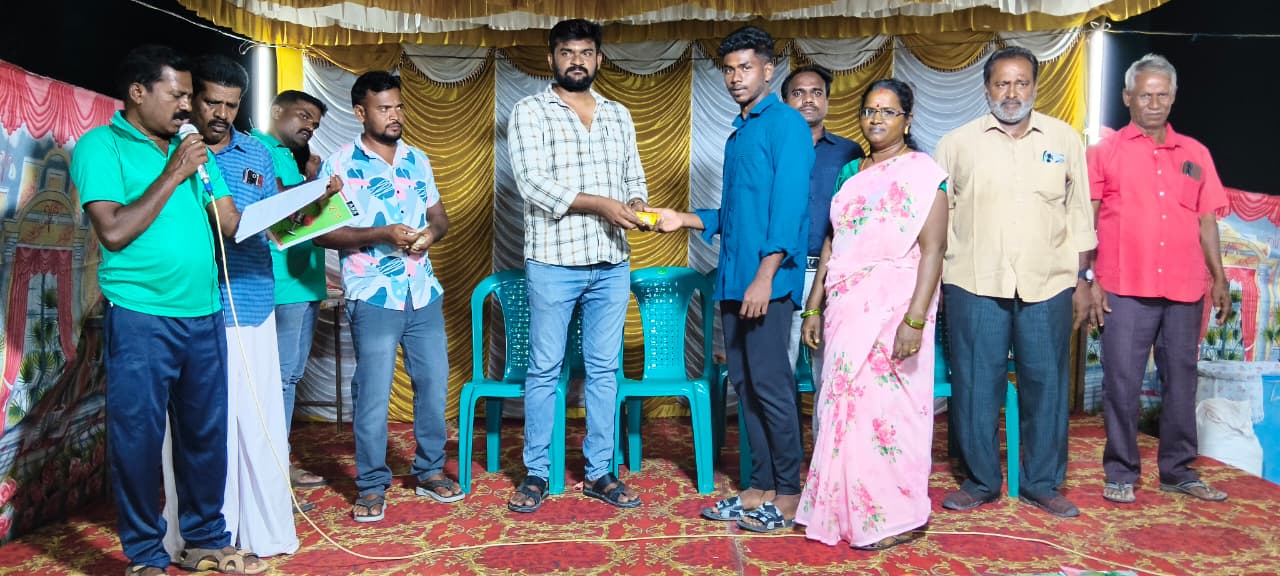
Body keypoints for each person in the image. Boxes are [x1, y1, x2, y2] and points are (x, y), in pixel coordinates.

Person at [69, 45, 267, 575]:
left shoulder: (192, 149)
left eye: (189, 95)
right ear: (138, 92)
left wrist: (302, 210)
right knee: (137, 438)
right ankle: (145, 554)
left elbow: (228, 223)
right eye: (177, 94)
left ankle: (205, 540)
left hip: (205, 313)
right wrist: (174, 173)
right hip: (141, 315)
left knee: (206, 434)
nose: (187, 106)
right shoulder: (101, 146)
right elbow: (114, 232)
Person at [653, 25, 814, 533]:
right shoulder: (739, 132)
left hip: (766, 283)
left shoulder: (786, 125)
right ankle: (757, 489)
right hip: (733, 281)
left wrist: (765, 276)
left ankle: (789, 495)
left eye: (746, 68)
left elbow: (788, 210)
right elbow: (738, 214)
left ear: (769, 69)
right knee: (744, 387)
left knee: (772, 387)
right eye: (728, 69)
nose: (736, 77)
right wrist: (685, 219)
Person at [933, 46, 1096, 519]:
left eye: (1021, 83)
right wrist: (936, 284)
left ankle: (1041, 483)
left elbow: (1079, 213)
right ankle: (980, 481)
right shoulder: (956, 144)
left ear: (1035, 87)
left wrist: (1083, 279)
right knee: (975, 386)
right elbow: (940, 218)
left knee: (1046, 386)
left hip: (1047, 284)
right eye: (1002, 83)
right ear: (986, 89)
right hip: (973, 283)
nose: (1012, 93)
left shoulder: (1064, 139)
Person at [793, 78, 946, 550]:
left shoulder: (924, 174)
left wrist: (914, 320)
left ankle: (895, 516)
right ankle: (842, 510)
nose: (876, 118)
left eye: (888, 111)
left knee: (891, 413)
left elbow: (934, 250)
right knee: (841, 405)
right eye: (869, 110)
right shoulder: (851, 172)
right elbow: (832, 241)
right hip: (846, 305)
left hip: (897, 309)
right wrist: (814, 306)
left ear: (907, 120)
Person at [505, 18, 650, 513]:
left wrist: (634, 204)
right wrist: (602, 205)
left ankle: (600, 472)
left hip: (611, 261)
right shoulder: (530, 111)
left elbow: (634, 177)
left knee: (605, 370)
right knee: (545, 369)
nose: (576, 61)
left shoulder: (618, 114)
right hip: (554, 261)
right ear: (551, 58)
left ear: (598, 59)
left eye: (586, 53)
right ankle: (536, 472)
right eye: (567, 52)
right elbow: (533, 184)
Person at [313, 70, 461, 522]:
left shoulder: (418, 159)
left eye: (398, 107)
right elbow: (321, 234)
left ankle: (430, 470)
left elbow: (439, 216)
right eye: (384, 108)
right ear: (361, 113)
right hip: (373, 294)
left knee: (433, 385)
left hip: (423, 292)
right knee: (373, 394)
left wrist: (431, 234)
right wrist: (380, 233)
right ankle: (372, 484)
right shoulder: (338, 165)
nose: (394, 115)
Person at [1088, 54, 1230, 505]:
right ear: (1127, 97)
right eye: (1145, 95)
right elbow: (1087, 220)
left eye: (1162, 94)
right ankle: (1121, 472)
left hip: (1185, 288)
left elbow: (1207, 221)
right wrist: (1087, 278)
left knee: (1182, 382)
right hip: (1125, 287)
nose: (1154, 103)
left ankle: (1178, 471)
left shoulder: (1195, 154)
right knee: (1122, 383)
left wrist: (1219, 277)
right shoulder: (1104, 153)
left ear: (1173, 97)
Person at [250, 90, 334, 500]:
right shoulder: (256, 149)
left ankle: (277, 461)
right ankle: (271, 471)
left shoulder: (289, 156)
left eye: (315, 123)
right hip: (281, 283)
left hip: (305, 281)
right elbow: (273, 203)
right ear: (276, 111)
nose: (309, 127)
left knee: (290, 377)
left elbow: (300, 219)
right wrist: (315, 186)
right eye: (303, 116)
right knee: (279, 378)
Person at [781, 65, 864, 435]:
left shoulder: (849, 153)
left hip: (833, 273)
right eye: (798, 93)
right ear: (785, 101)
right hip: (783, 271)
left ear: (828, 101)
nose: (808, 100)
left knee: (829, 371)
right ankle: (783, 457)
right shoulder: (774, 147)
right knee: (780, 368)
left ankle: (826, 457)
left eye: (816, 92)